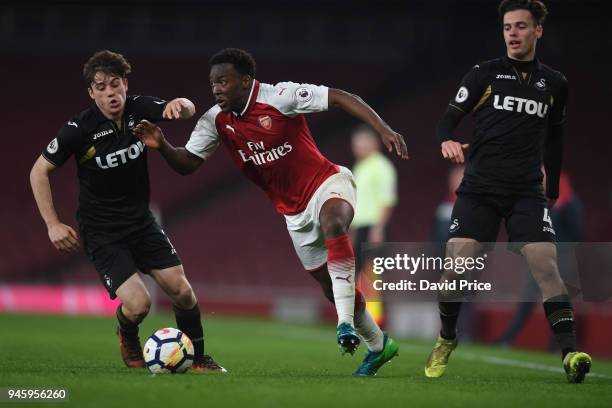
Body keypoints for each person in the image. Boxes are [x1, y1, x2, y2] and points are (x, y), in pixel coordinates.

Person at [134, 48, 408, 376]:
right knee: (327, 285)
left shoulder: (281, 96)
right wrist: (162, 145)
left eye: (223, 81)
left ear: (246, 81)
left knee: (333, 221)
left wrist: (383, 128)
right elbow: (188, 164)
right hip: (293, 213)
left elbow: (339, 97)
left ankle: (344, 323)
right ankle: (379, 346)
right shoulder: (215, 121)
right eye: (212, 83)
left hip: (327, 183)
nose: (217, 88)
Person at [425, 0, 592, 383]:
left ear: (538, 31)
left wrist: (550, 189)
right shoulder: (484, 74)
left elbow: (554, 140)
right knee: (456, 270)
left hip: (525, 192)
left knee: (546, 265)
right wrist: (446, 140)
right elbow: (446, 120)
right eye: (507, 27)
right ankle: (447, 337)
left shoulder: (555, 84)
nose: (513, 33)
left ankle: (570, 355)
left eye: (520, 26)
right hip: (480, 189)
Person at [29, 50, 225, 372]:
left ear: (125, 84)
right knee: (139, 304)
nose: (111, 93)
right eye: (102, 87)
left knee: (182, 291)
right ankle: (128, 333)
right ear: (91, 93)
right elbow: (38, 172)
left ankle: (199, 357)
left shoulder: (139, 109)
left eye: (115, 84)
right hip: (102, 231)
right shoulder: (79, 128)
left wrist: (181, 105)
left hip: (141, 223)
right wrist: (52, 224)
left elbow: (186, 107)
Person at [350, 124, 398, 327]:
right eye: (355, 144)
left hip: (374, 227)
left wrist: (379, 228)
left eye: (361, 143)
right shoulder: (359, 167)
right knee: (359, 273)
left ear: (373, 143)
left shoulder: (382, 166)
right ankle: (361, 317)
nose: (358, 147)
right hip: (360, 227)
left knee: (372, 274)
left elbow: (387, 199)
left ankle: (377, 320)